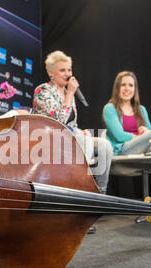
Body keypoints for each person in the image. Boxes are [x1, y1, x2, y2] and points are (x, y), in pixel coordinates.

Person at [33, 50, 113, 196]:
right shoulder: (43, 91)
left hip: (70, 136)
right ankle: (81, 190)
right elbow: (59, 121)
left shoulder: (67, 92)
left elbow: (71, 124)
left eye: (69, 70)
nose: (68, 74)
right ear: (51, 73)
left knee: (104, 145)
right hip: (49, 138)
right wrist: (70, 93)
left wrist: (80, 131)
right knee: (83, 141)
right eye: (62, 70)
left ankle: (101, 194)